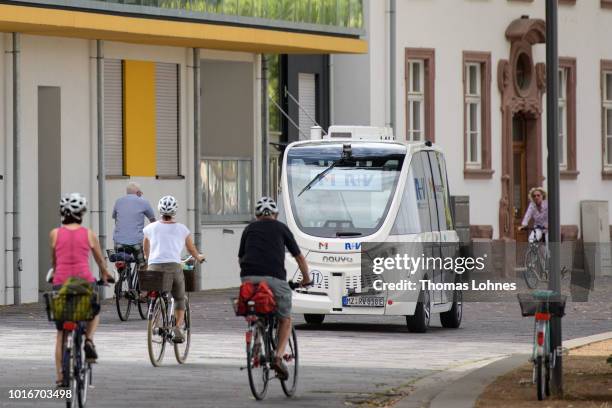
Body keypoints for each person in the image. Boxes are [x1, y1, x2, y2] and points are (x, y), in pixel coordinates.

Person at [238, 196, 311, 380]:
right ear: (275, 214)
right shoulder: (281, 228)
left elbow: (240, 258)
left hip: (249, 278)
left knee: (256, 310)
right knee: (285, 319)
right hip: (275, 279)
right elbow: (299, 257)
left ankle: (256, 336)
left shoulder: (248, 229)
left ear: (256, 215)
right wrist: (306, 278)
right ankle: (278, 357)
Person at [50, 193, 113, 387]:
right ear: (82, 213)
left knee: (61, 333)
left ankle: (61, 378)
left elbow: (55, 260)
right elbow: (100, 260)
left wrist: (54, 275)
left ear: (62, 213)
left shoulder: (55, 233)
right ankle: (88, 340)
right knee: (93, 311)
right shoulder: (88, 234)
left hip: (61, 284)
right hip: (84, 283)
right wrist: (105, 274)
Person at [143, 196, 205, 343]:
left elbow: (146, 247)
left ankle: (155, 316)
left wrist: (148, 259)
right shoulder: (182, 229)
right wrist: (199, 257)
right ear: (174, 211)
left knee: (155, 291)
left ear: (159, 210)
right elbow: (191, 249)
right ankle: (177, 327)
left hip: (154, 267)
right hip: (173, 267)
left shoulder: (150, 228)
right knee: (179, 297)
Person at [112, 182, 156, 270]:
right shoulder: (144, 202)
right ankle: (142, 277)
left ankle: (119, 274)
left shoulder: (118, 201)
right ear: (138, 193)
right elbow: (153, 222)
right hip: (137, 243)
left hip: (119, 242)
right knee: (142, 265)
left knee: (121, 259)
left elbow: (114, 217)